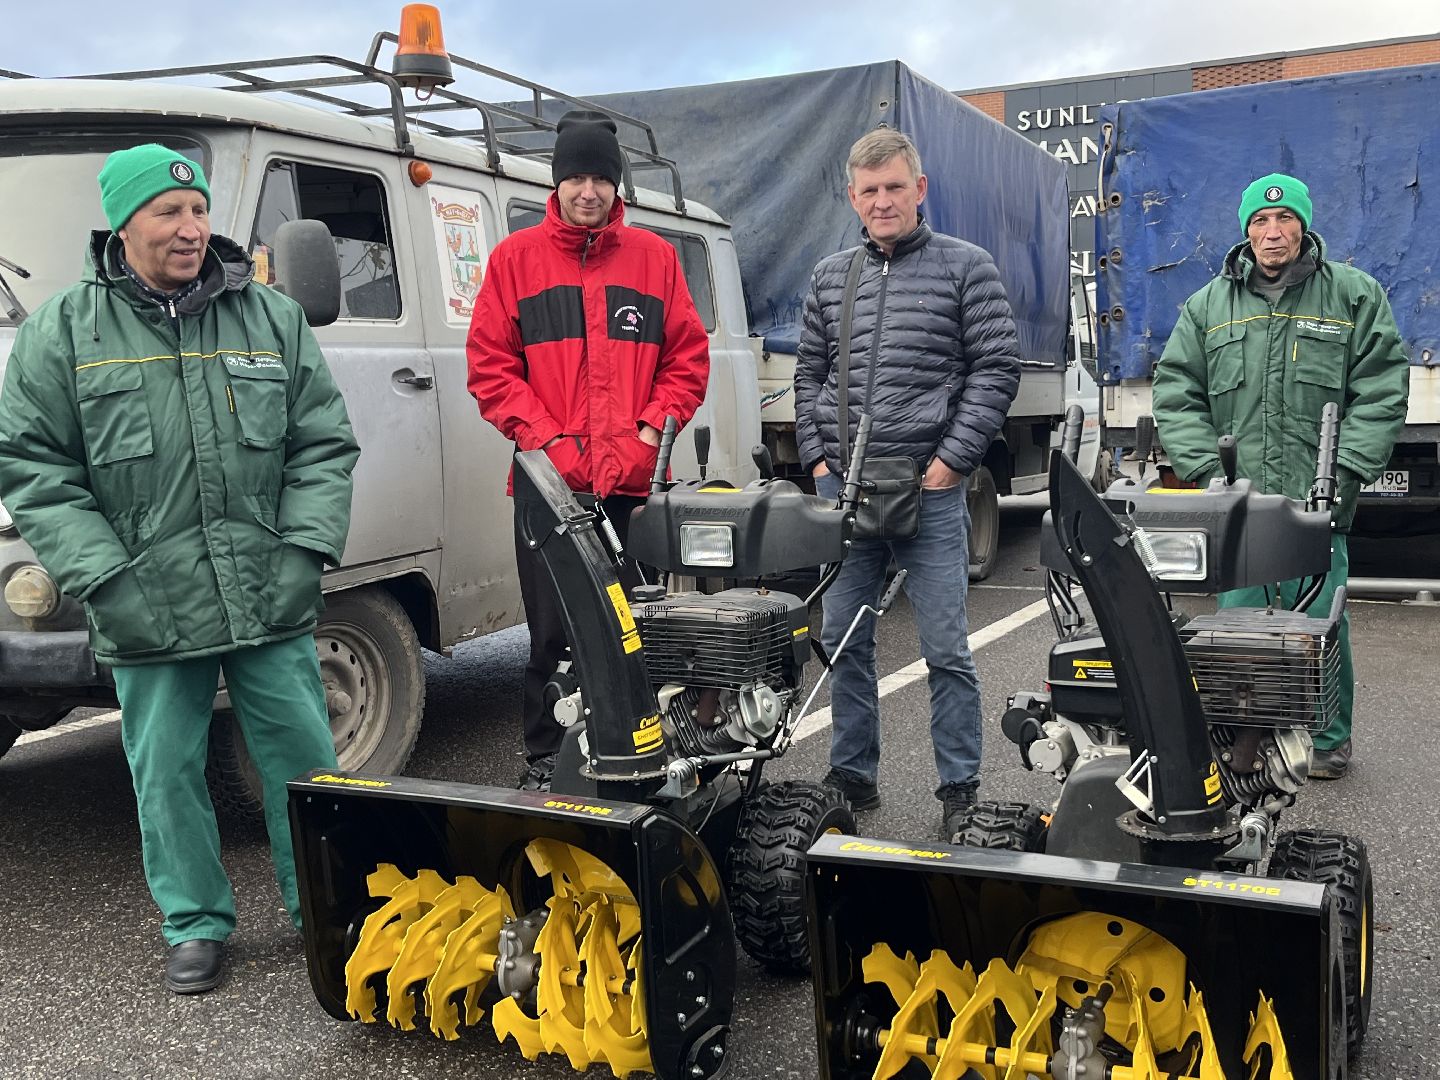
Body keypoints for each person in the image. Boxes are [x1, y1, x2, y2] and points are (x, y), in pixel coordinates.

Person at [0, 144, 359, 993]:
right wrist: (106, 579)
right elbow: (34, 470)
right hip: (143, 603)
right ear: (124, 225)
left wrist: (304, 551)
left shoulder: (270, 318)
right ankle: (194, 923)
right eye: (168, 214)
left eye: (198, 213)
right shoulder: (65, 330)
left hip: (265, 589)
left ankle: (330, 906)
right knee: (164, 772)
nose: (190, 229)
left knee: (306, 761)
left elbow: (323, 444)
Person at [467, 110, 710, 793]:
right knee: (550, 634)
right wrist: (546, 442)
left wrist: (648, 433)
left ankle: (641, 747)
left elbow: (685, 361)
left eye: (599, 178)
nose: (587, 191)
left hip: (630, 484)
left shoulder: (653, 258)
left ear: (615, 184)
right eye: (575, 176)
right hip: (548, 490)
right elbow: (490, 368)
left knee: (636, 627)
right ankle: (547, 756)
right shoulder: (513, 261)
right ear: (556, 182)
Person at [793, 128, 1021, 841]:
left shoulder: (966, 267)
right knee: (843, 639)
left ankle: (960, 789)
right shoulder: (832, 277)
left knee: (946, 649)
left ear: (920, 190)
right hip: (847, 493)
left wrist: (952, 461)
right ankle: (853, 773)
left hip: (931, 490)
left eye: (895, 187)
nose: (883, 201)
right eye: (870, 191)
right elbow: (808, 376)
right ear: (853, 197)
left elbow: (995, 369)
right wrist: (820, 463)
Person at [1153, 172, 1409, 780]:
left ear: (1304, 226)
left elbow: (1381, 391)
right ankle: (1245, 734)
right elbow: (1177, 394)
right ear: (1245, 231)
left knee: (1320, 626)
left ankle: (1325, 739)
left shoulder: (1352, 295)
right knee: (1236, 628)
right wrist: (1210, 475)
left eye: (1285, 220)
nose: (1273, 232)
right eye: (1261, 222)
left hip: (1319, 499)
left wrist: (1345, 471)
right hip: (1239, 507)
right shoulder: (1207, 306)